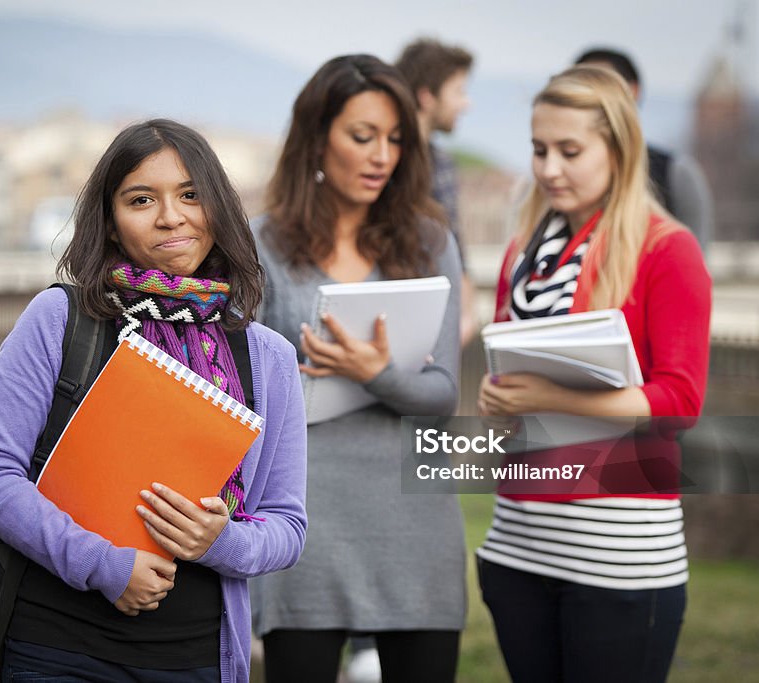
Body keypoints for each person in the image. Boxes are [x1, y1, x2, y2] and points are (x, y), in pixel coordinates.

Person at [0, 119, 308, 683]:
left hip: (196, 659)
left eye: (191, 195)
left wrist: (219, 540)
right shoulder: (58, 320)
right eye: (142, 199)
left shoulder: (270, 358)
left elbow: (287, 529)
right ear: (113, 223)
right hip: (55, 649)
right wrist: (105, 566)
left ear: (218, 208)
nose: (171, 216)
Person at [475, 66, 711, 682]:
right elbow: (509, 366)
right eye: (538, 149)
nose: (549, 167)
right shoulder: (523, 247)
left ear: (619, 148)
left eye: (569, 151)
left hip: (620, 556)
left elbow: (681, 399)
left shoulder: (668, 249)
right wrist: (497, 397)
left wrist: (555, 395)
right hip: (518, 543)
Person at [249, 54, 466, 683]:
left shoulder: (430, 243)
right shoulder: (260, 245)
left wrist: (372, 372)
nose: (382, 156)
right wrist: (297, 370)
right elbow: (239, 390)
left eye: (395, 139)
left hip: (414, 520)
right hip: (306, 521)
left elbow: (443, 395)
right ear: (318, 137)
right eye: (362, 136)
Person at [576, 47, 715, 250]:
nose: (591, 97)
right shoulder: (552, 178)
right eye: (581, 88)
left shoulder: (675, 174)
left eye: (603, 86)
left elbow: (696, 262)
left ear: (633, 91)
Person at [396, 37, 480, 346]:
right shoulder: (405, 162)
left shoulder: (439, 160)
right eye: (458, 91)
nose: (465, 103)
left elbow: (452, 240)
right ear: (427, 95)